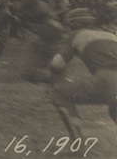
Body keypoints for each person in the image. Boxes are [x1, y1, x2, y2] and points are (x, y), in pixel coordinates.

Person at [48, 8, 117, 139]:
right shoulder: (111, 35)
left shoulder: (77, 34)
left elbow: (56, 65)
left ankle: (77, 140)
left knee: (58, 92)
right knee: (115, 109)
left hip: (107, 79)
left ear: (75, 24)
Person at [12, 0, 67, 83]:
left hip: (49, 36)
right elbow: (21, 23)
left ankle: (55, 78)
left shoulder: (41, 8)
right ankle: (52, 78)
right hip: (40, 36)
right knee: (29, 73)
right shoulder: (22, 7)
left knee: (48, 66)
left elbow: (55, 26)